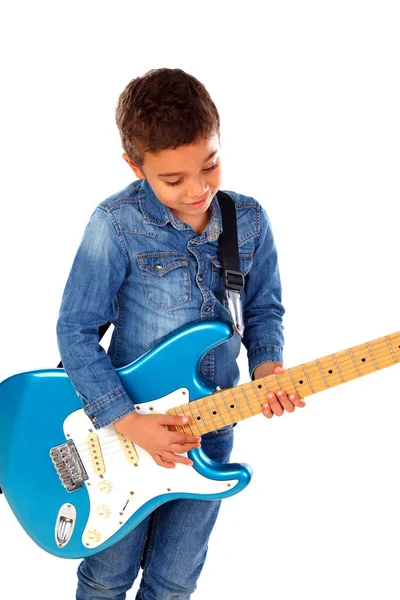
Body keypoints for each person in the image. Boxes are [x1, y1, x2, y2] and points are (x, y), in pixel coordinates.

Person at [57, 67, 306, 600]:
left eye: (210, 165)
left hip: (212, 426)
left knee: (174, 583)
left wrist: (269, 370)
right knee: (106, 578)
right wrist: (127, 423)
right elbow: (75, 331)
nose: (197, 190)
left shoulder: (250, 221)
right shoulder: (116, 225)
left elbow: (263, 310)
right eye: (173, 180)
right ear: (135, 165)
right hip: (125, 429)